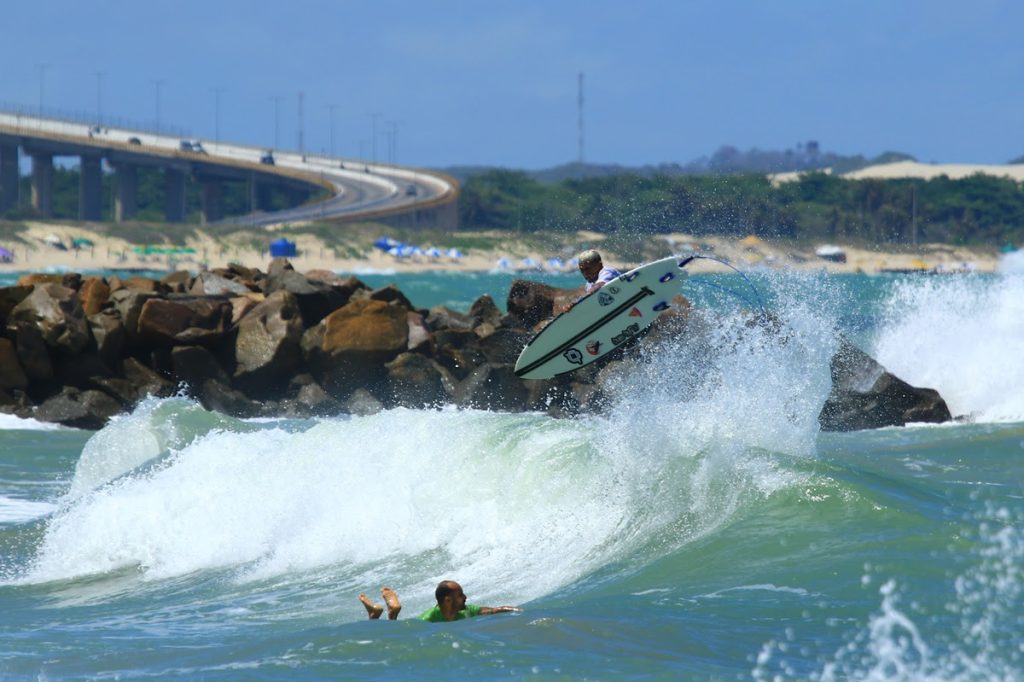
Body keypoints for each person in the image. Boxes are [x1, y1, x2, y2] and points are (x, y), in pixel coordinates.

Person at [358, 580, 520, 623]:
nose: (465, 598)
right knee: (392, 629)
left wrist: (512, 609)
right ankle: (388, 612)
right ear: (448, 600)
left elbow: (492, 610)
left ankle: (375, 613)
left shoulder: (466, 610)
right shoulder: (428, 618)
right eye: (460, 595)